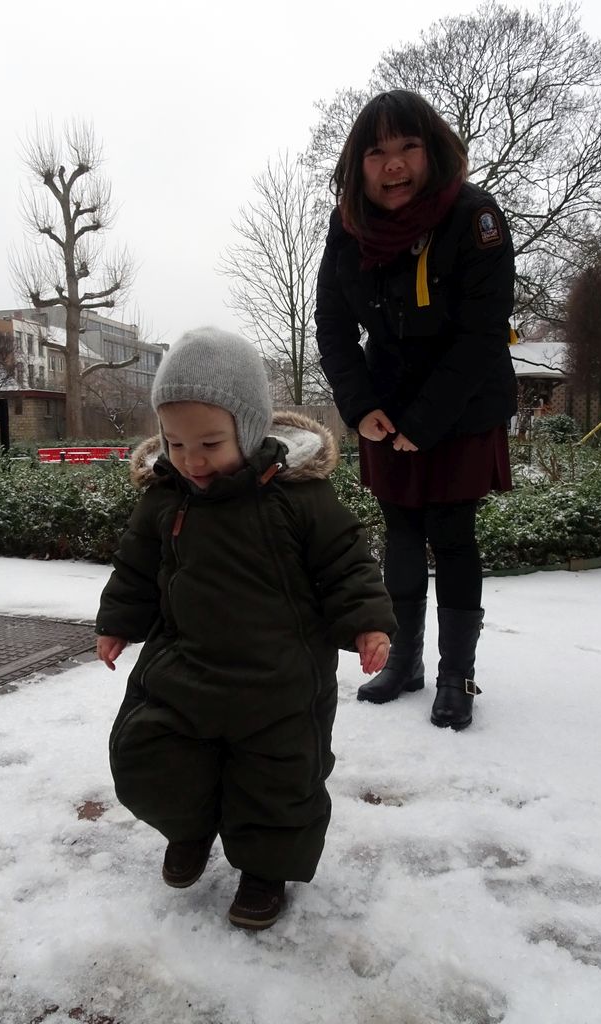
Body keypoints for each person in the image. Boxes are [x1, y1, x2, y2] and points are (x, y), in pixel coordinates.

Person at [95, 327, 396, 930]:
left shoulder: (296, 498)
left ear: (251, 427)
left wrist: (367, 623)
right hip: (186, 669)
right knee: (156, 754)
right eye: (176, 444)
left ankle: (264, 870)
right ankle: (190, 827)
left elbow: (345, 562)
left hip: (278, 680)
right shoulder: (166, 499)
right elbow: (136, 567)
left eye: (209, 442)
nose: (192, 460)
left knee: (277, 778)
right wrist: (119, 623)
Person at [315, 90, 517, 732]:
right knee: (400, 528)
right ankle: (402, 660)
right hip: (387, 403)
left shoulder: (474, 216)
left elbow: (483, 333)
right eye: (377, 151)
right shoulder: (348, 223)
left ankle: (457, 674)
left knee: (452, 532)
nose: (393, 164)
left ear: (432, 151)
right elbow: (333, 325)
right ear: (359, 162)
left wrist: (425, 423)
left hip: (464, 401)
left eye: (408, 147)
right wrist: (361, 406)